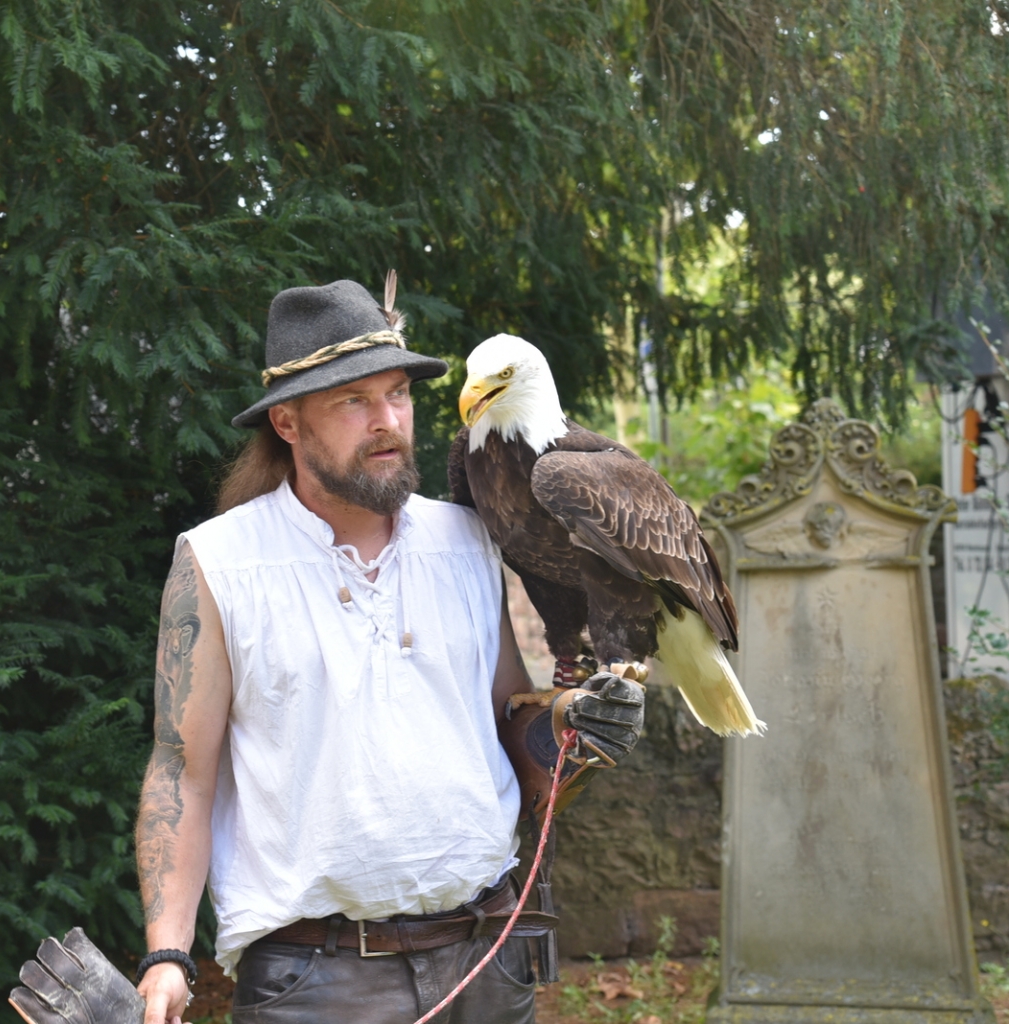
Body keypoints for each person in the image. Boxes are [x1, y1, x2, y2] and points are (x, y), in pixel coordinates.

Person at [133, 279, 645, 1024]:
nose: (387, 422)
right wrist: (167, 956)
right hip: (316, 982)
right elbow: (183, 770)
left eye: (397, 394)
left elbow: (512, 720)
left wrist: (571, 728)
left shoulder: (467, 540)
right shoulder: (219, 562)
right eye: (352, 402)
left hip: (487, 959)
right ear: (286, 422)